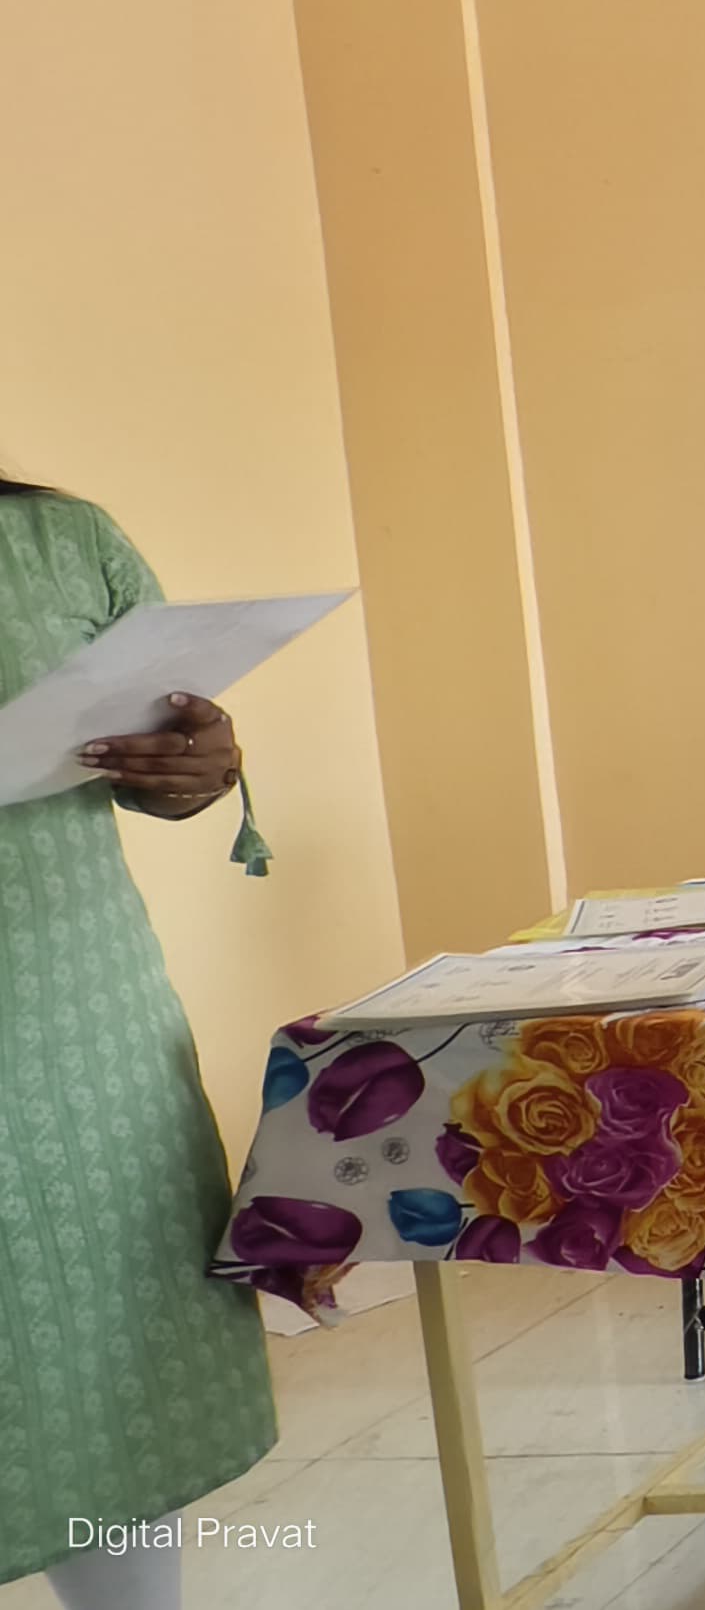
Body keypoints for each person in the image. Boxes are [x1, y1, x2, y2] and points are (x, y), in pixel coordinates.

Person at [0, 475, 278, 1610]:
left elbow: (164, 754)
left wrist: (199, 767)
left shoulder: (60, 540)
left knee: (98, 1348)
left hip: (73, 1017)